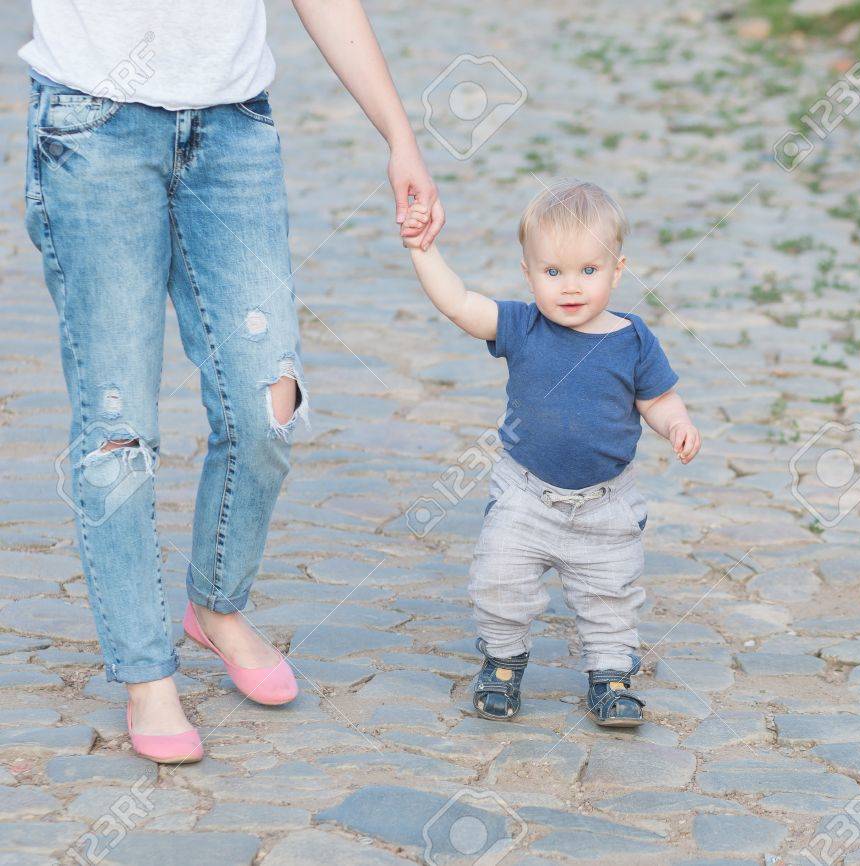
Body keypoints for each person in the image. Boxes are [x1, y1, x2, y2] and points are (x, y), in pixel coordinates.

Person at [21, 0, 444, 763]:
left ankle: (215, 605)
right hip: (93, 126)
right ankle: (146, 672)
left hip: (233, 131)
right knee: (118, 428)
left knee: (268, 404)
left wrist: (399, 132)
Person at [400, 179, 701, 727]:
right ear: (528, 273)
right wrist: (425, 252)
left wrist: (675, 423)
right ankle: (503, 662)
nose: (570, 287)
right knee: (500, 582)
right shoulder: (523, 325)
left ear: (617, 268)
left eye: (589, 270)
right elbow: (460, 304)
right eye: (552, 272)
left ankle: (610, 678)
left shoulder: (632, 339)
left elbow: (657, 398)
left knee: (611, 594)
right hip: (526, 492)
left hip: (606, 501)